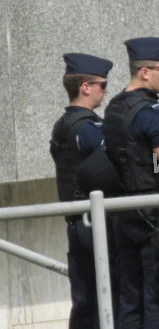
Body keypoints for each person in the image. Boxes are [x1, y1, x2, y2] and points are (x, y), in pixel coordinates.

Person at [102, 37, 159, 329]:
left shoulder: (113, 108)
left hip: (124, 217)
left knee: (130, 303)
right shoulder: (153, 113)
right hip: (156, 218)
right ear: (145, 72)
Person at [50, 53, 115, 329]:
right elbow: (117, 163)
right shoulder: (88, 129)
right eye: (102, 84)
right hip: (95, 224)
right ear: (85, 87)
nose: (106, 90)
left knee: (85, 300)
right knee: (108, 298)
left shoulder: (62, 125)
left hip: (77, 222)